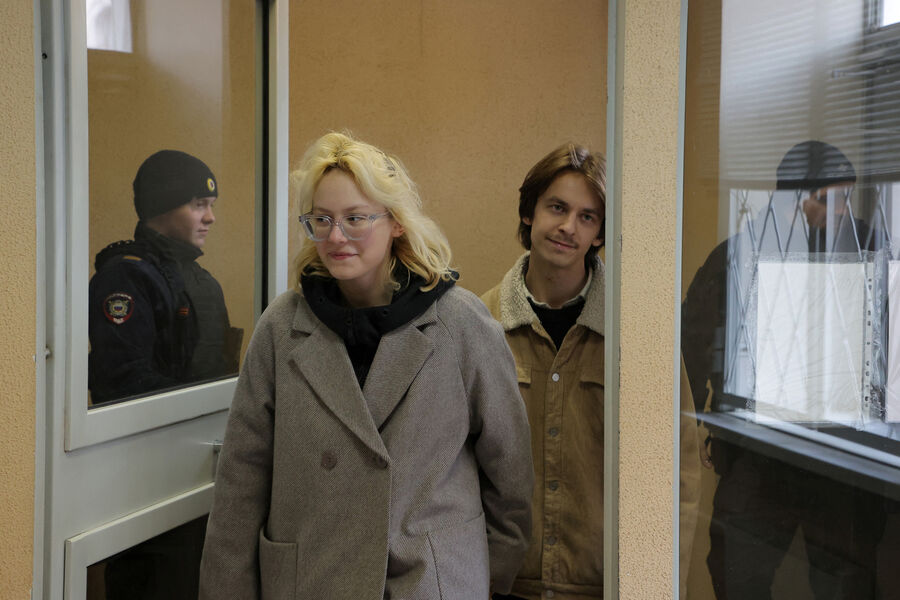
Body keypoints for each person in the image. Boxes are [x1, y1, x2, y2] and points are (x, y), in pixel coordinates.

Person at [198, 132, 534, 599]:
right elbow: (241, 481)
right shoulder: (282, 327)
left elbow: (510, 474)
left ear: (396, 222)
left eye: (355, 219)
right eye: (321, 220)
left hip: (427, 584)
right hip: (311, 581)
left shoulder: (460, 323)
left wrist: (474, 577)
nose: (336, 237)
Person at [483, 143, 701, 600]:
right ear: (528, 212)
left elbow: (677, 470)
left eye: (587, 216)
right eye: (557, 208)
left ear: (600, 233)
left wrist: (662, 586)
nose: (569, 227)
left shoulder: (638, 331)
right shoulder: (479, 323)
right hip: (499, 584)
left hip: (608, 586)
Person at [683, 140, 886, 599]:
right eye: (833, 199)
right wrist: (692, 428)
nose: (844, 210)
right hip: (759, 451)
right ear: (797, 200)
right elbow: (694, 341)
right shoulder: (740, 253)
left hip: (844, 456)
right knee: (737, 573)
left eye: (847, 197)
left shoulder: (869, 246)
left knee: (846, 584)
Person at [88, 149, 241, 405]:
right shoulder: (126, 277)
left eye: (211, 205)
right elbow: (124, 383)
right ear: (163, 207)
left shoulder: (202, 281)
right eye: (199, 204)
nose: (210, 218)